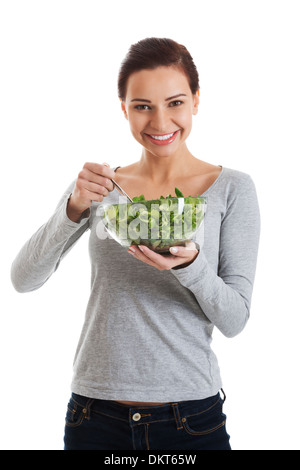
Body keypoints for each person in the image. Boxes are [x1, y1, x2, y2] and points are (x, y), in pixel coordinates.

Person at [11, 37, 260, 451]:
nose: (161, 123)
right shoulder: (101, 187)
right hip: (93, 416)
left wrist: (190, 265)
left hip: (190, 418)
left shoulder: (232, 189)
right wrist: (72, 208)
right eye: (143, 106)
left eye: (175, 103)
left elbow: (235, 319)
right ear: (124, 108)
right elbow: (23, 279)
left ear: (196, 100)